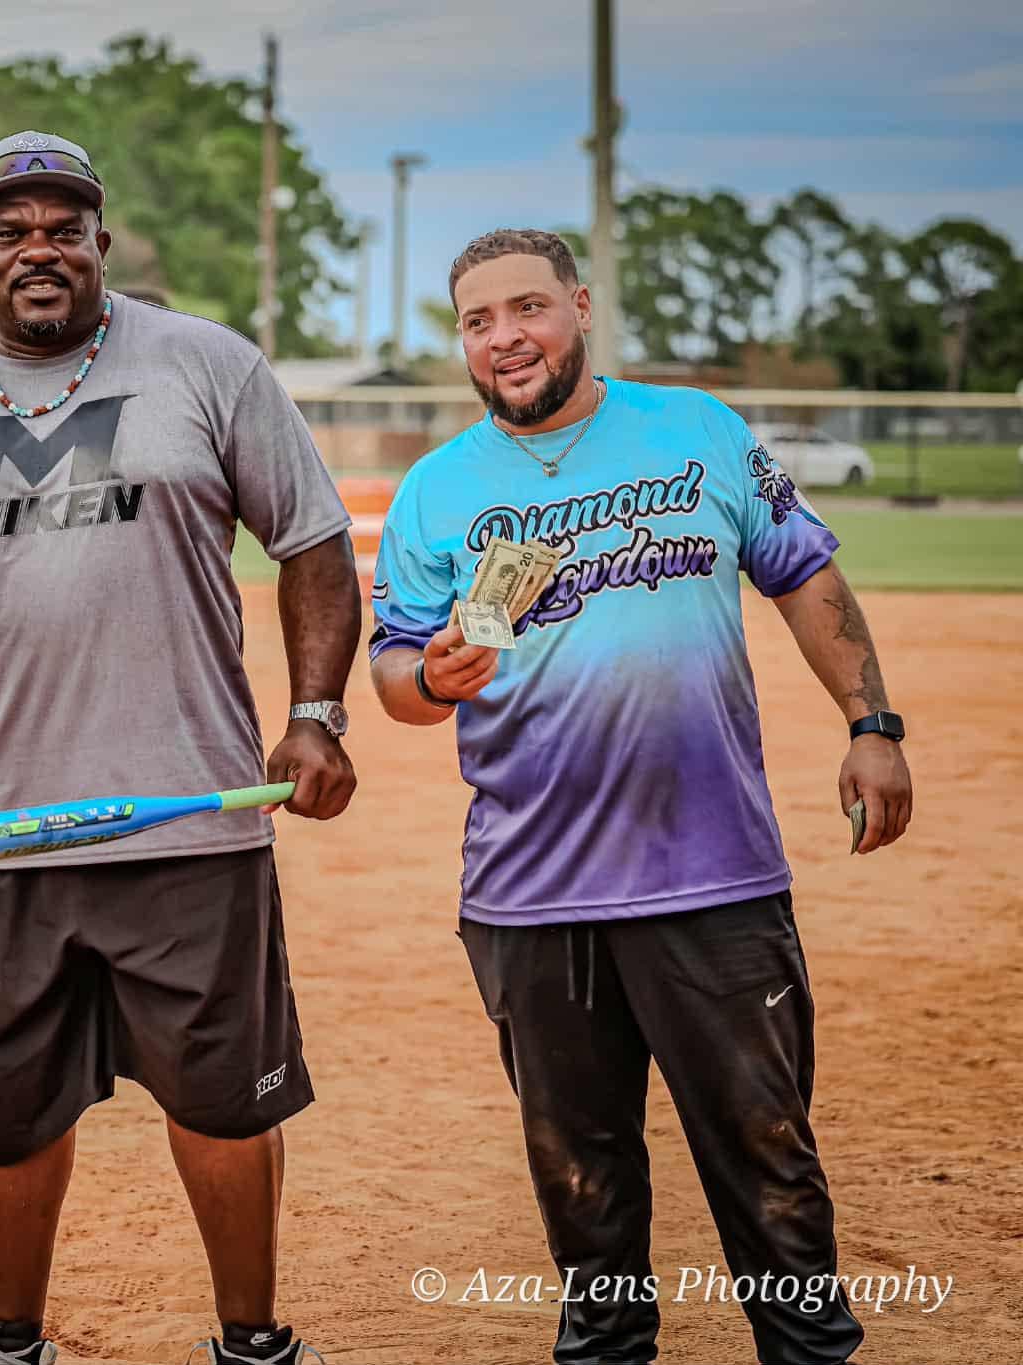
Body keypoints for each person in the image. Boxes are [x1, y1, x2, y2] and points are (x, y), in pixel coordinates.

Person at [0, 130, 358, 1365]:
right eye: (11, 230)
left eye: (65, 226)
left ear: (102, 242)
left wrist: (315, 711)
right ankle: (7, 1341)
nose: (39, 248)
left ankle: (250, 1342)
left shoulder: (207, 367)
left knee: (222, 1105)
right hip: (0, 831)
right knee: (8, 1121)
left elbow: (313, 545)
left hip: (188, 821)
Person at [368, 228, 914, 1365]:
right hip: (529, 892)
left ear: (576, 307)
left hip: (710, 874)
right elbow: (392, 676)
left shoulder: (694, 430)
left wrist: (869, 725)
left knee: (766, 1161)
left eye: (527, 308)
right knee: (583, 1187)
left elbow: (802, 569)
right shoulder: (437, 491)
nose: (504, 337)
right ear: (461, 343)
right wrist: (428, 679)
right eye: (477, 321)